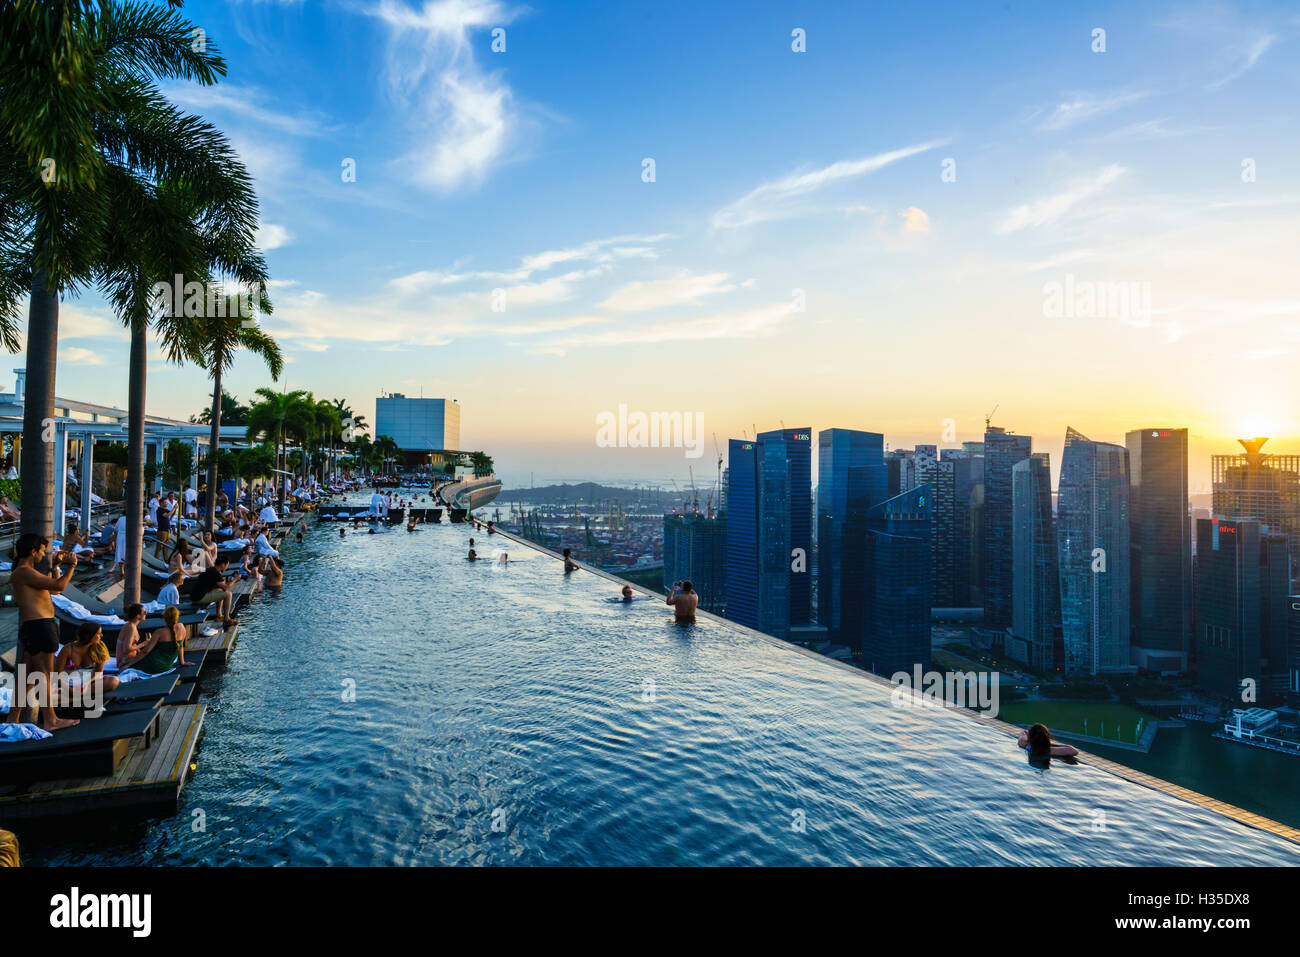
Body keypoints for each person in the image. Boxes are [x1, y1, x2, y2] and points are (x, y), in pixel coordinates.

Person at [6, 534, 79, 730]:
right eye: (41, 551)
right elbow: (60, 585)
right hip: (40, 627)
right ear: (33, 551)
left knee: (28, 676)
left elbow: (54, 590)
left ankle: (13, 718)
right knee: (44, 675)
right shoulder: (24, 571)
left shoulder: (25, 573)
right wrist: (72, 566)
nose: (42, 555)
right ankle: (51, 720)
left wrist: (56, 566)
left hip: (35, 627)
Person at [56, 622, 119, 694]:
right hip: (69, 684)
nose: (101, 635)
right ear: (88, 635)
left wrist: (87, 683)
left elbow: (98, 673)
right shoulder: (68, 649)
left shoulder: (99, 648)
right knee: (48, 692)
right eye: (98, 633)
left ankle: (77, 695)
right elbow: (58, 675)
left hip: (88, 684)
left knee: (113, 681)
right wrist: (70, 689)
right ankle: (79, 695)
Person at [130, 605, 189, 675]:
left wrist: (130, 664)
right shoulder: (182, 628)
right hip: (167, 666)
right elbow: (181, 646)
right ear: (177, 617)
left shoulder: (159, 632)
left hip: (154, 665)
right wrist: (182, 662)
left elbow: (145, 651)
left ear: (164, 617)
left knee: (128, 662)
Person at [183, 555, 238, 626]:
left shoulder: (211, 570)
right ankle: (227, 619)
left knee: (220, 591)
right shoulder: (215, 573)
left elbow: (222, 587)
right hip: (199, 598)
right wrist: (236, 579)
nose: (226, 567)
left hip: (195, 597)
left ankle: (219, 615)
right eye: (227, 565)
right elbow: (226, 587)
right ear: (223, 564)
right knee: (228, 594)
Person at [114, 603, 149, 670]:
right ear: (137, 616)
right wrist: (144, 644)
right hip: (124, 662)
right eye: (144, 612)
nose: (146, 614)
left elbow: (133, 644)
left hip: (129, 658)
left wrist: (141, 652)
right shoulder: (131, 628)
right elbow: (126, 649)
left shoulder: (132, 626)